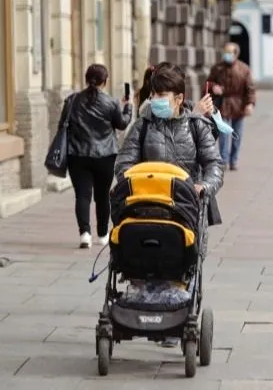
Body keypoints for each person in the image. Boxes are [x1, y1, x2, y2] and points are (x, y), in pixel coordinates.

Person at [114, 62, 224, 347]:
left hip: (183, 210)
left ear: (178, 98)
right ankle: (142, 305)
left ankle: (174, 314)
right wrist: (130, 179)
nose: (156, 100)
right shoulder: (143, 125)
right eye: (154, 94)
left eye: (163, 95)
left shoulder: (196, 126)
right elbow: (124, 162)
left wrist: (205, 186)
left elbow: (214, 166)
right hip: (146, 205)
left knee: (180, 260)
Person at [58, 63, 132, 249]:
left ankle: (84, 234)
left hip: (78, 154)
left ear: (86, 79)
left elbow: (62, 126)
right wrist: (128, 107)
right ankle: (103, 234)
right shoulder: (111, 102)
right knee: (102, 196)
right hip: (105, 155)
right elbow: (122, 124)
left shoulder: (72, 100)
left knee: (82, 195)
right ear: (104, 82)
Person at [206, 42, 256, 170]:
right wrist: (213, 87)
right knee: (224, 135)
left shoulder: (244, 69)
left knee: (237, 135)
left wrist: (250, 103)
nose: (226, 55)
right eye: (225, 52)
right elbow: (208, 83)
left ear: (236, 54)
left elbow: (250, 88)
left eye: (229, 52)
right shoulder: (217, 68)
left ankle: (234, 160)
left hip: (238, 106)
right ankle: (224, 160)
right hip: (222, 105)